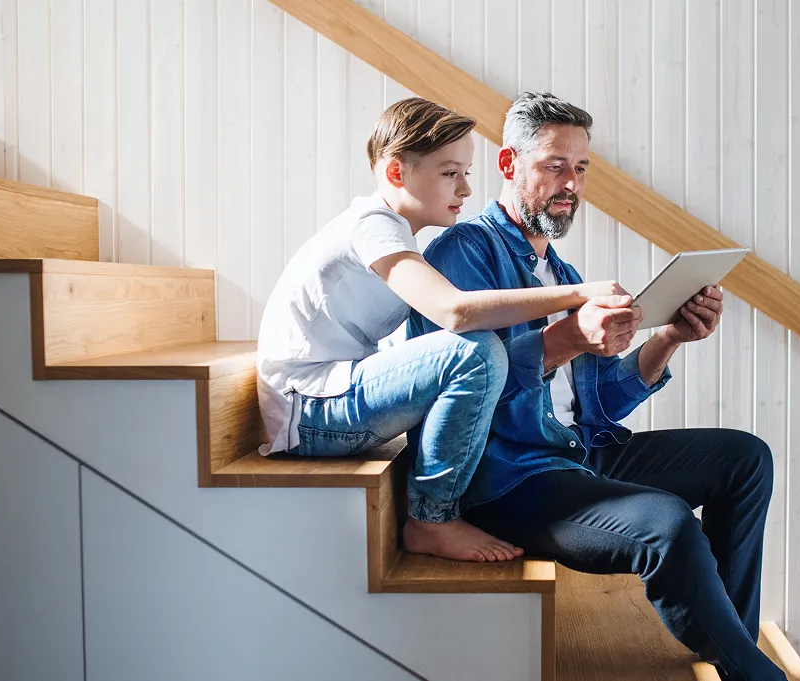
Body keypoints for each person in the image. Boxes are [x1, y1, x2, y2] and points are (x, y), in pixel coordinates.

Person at [407, 92, 786, 681]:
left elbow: (598, 403)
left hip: (581, 453)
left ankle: (731, 645)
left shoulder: (562, 274)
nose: (571, 184)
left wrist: (668, 339)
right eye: (554, 165)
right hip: (511, 478)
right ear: (509, 165)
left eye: (581, 169)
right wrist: (570, 339)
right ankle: (756, 671)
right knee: (665, 523)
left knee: (744, 457)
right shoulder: (462, 252)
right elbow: (460, 386)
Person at [255, 97, 625, 564]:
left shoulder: (395, 234)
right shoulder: (373, 226)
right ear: (396, 174)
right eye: (451, 173)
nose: (467, 189)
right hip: (309, 413)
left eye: (467, 172)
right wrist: (577, 294)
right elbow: (455, 312)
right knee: (475, 351)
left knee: (473, 351)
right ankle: (432, 518)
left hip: (327, 400)